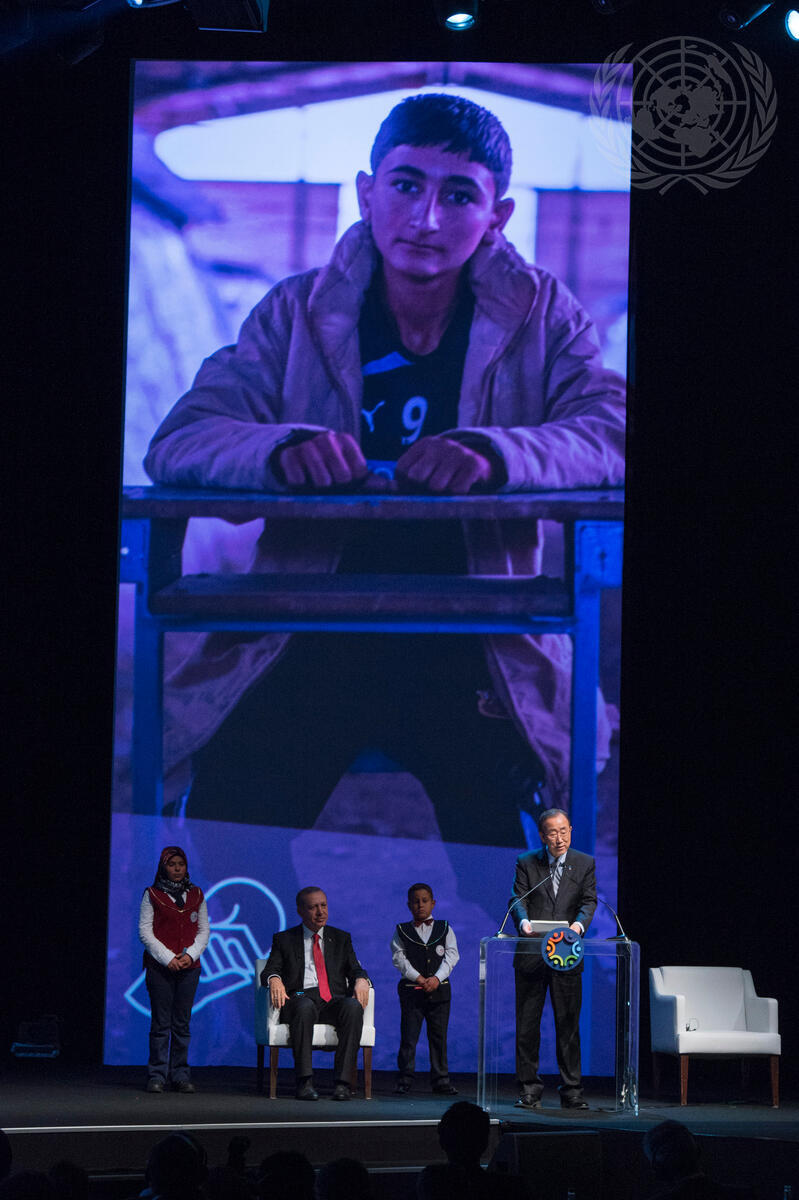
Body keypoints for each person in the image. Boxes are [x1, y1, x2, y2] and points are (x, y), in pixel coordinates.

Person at [143, 93, 626, 844]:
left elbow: (612, 429)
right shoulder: (295, 312)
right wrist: (280, 449)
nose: (426, 218)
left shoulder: (542, 315)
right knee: (229, 836)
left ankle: (535, 928)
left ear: (496, 217)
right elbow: (182, 439)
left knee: (532, 859)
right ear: (367, 193)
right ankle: (250, 927)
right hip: (307, 629)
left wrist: (494, 452)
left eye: (458, 195)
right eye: (405, 185)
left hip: (479, 637)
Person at [509, 808, 597, 1110]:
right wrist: (523, 923)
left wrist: (578, 927)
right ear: (542, 835)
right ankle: (529, 1089)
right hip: (532, 955)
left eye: (564, 831)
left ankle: (572, 1091)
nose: (559, 839)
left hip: (567, 955)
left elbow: (588, 901)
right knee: (527, 1027)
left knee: (568, 1025)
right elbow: (518, 899)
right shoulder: (526, 862)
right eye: (552, 833)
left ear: (570, 830)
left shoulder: (584, 863)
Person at [261, 887, 370, 1101]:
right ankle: (304, 1082)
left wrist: (361, 979)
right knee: (304, 1005)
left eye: (323, 905)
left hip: (332, 999)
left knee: (353, 1007)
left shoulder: (341, 938)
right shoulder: (284, 939)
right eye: (313, 907)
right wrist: (274, 979)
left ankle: (342, 1084)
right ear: (300, 911)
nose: (320, 912)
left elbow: (355, 969)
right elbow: (269, 969)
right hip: (301, 995)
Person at [138, 845, 209, 1094]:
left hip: (190, 968)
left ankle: (180, 1075)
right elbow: (145, 932)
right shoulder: (152, 894)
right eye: (172, 864)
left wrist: (190, 955)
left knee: (182, 1024)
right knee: (161, 1024)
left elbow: (204, 931)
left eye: (181, 864)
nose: (177, 869)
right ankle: (157, 1075)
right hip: (160, 968)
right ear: (163, 867)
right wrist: (168, 958)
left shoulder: (197, 894)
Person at [391, 883, 459, 1095]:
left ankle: (441, 1080)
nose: (420, 905)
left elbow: (452, 956)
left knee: (439, 1038)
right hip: (412, 992)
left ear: (433, 903)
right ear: (409, 905)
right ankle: (405, 1078)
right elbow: (399, 959)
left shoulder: (444, 928)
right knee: (409, 1038)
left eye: (424, 901)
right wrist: (419, 978)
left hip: (440, 992)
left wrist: (436, 978)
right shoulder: (402, 931)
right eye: (415, 902)